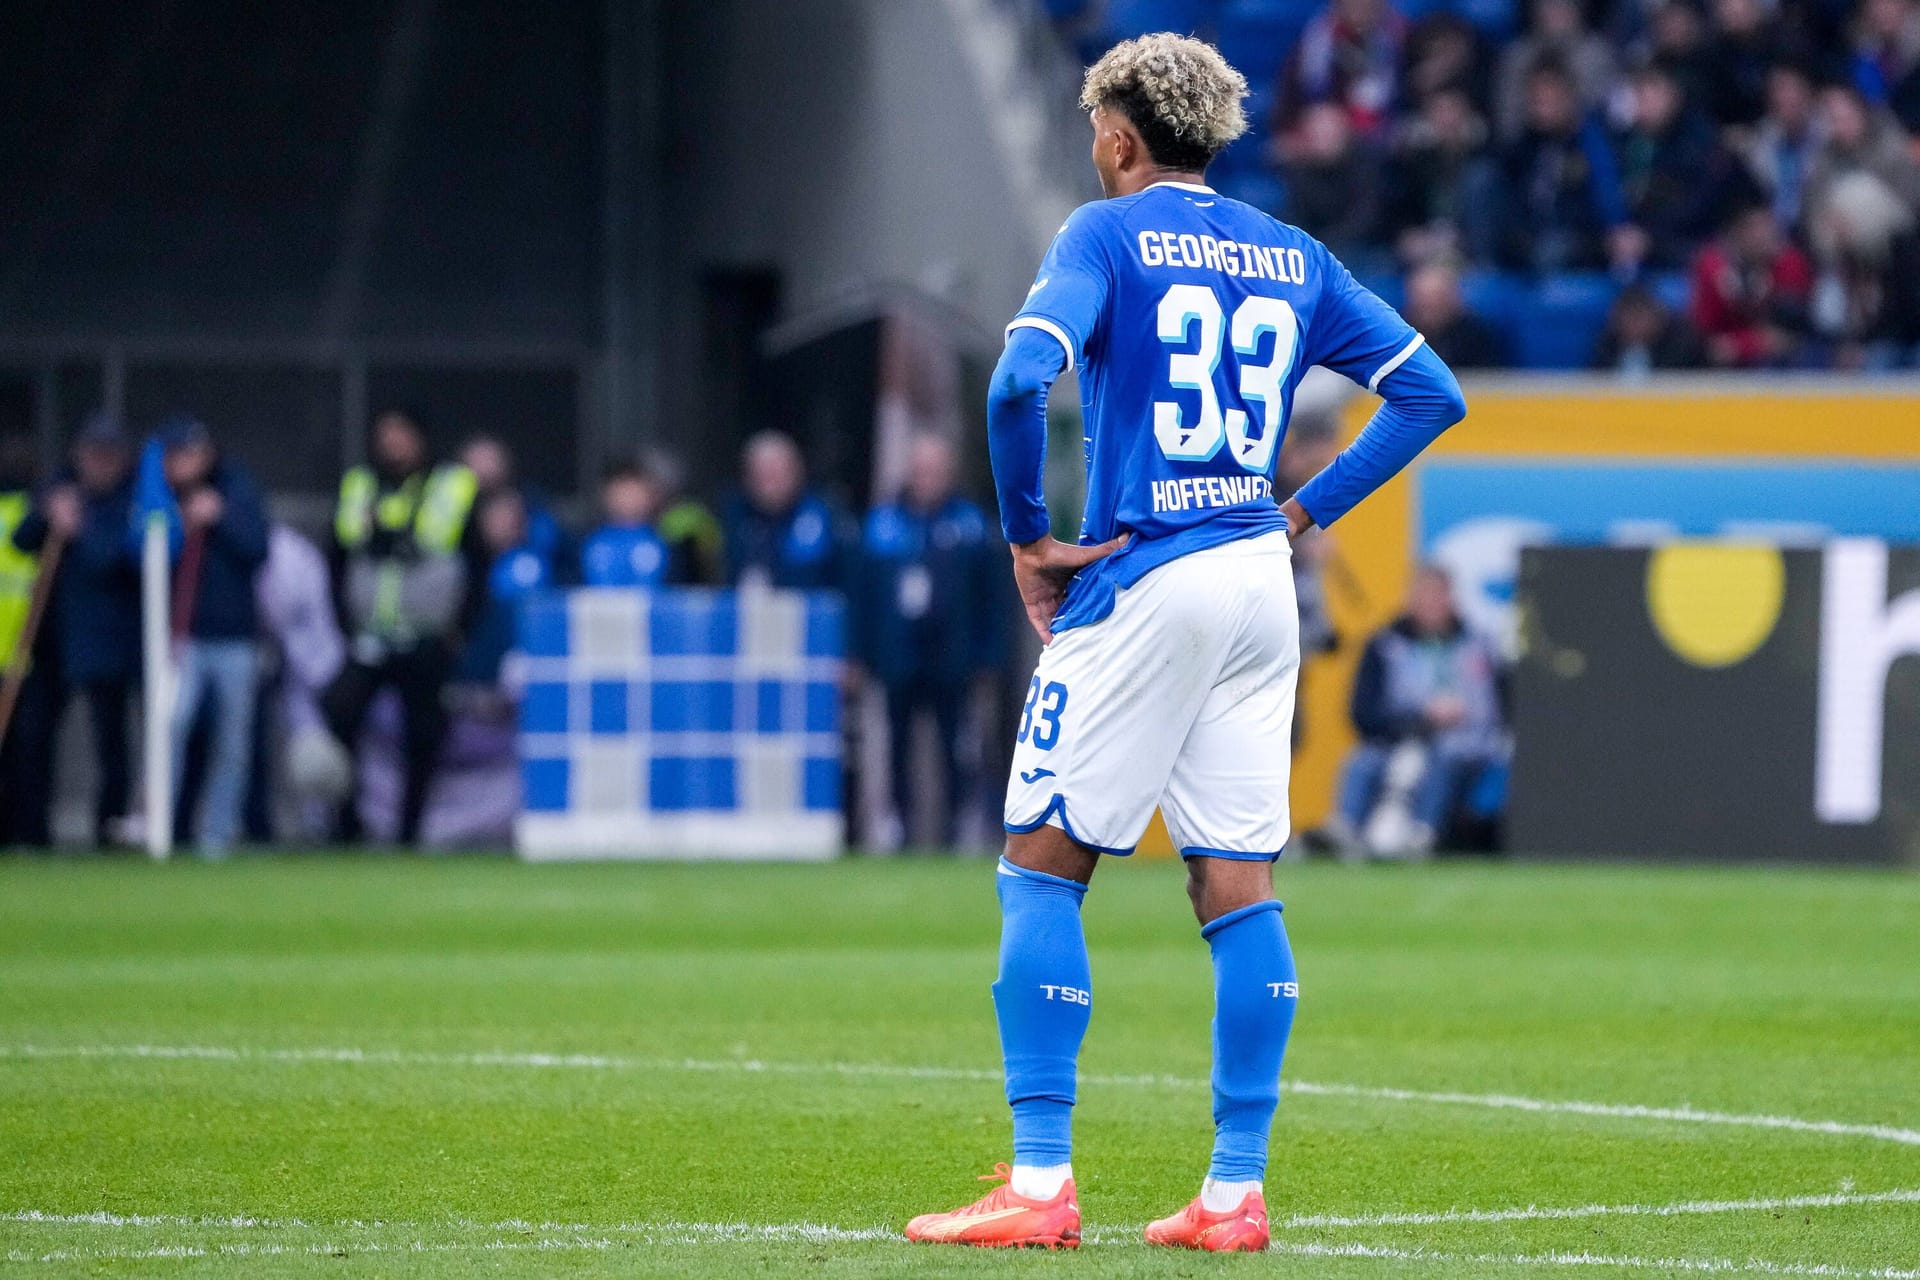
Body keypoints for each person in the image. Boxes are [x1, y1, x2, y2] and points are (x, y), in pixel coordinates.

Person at [905, 34, 1465, 1252]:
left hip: (1146, 568)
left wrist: (1027, 537)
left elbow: (1015, 382)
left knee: (1042, 866)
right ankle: (1233, 1192)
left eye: (1095, 129)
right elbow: (1433, 396)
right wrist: (1303, 509)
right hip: (1260, 576)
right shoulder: (1292, 252)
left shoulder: (1103, 236)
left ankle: (1042, 1180)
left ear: (1119, 137)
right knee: (1237, 884)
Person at [323, 408, 482, 844]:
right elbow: (337, 557)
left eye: (401, 433)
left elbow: (477, 564)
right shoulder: (360, 485)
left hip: (427, 637)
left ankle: (409, 833)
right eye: (385, 434)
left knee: (424, 735)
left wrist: (460, 630)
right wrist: (343, 622)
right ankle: (347, 823)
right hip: (370, 636)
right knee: (339, 710)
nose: (392, 443)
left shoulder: (452, 486)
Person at [853, 434, 1005, 849]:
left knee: (956, 747)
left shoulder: (971, 525)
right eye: (921, 470)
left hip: (953, 659)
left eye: (935, 470)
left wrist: (989, 657)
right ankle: (897, 827)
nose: (928, 478)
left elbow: (991, 598)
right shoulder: (882, 525)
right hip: (898, 656)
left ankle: (958, 827)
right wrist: (860, 655)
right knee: (896, 747)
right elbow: (863, 596)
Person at [136, 417, 270, 857]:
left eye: (192, 453)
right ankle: (161, 828)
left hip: (234, 638)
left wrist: (220, 516)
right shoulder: (155, 497)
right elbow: (136, 551)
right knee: (171, 726)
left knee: (233, 739)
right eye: (177, 454)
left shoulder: (237, 487)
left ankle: (218, 834)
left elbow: (257, 548)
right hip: (180, 637)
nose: (185, 463)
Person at [10, 417, 140, 847]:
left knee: (111, 748)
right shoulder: (59, 489)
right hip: (52, 642)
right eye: (91, 455)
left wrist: (78, 528)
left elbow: (113, 558)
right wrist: (49, 513)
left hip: (108, 643)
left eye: (108, 456)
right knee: (33, 738)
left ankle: (109, 832)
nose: (98, 465)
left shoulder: (129, 500)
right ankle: (32, 831)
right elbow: (22, 539)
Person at [1330, 564, 1506, 858]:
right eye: (1424, 596)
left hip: (1469, 744)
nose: (1432, 605)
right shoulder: (1384, 645)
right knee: (1363, 762)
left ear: (1452, 599)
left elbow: (1501, 704)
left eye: (1438, 596)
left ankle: (1422, 834)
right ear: (1410, 599)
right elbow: (1363, 714)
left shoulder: (1481, 644)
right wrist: (1420, 719)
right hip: (1399, 737)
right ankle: (1345, 830)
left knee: (1446, 758)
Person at [1496, 58, 1635, 272]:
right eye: (1537, 101)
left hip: (1582, 242)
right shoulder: (1525, 146)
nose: (1543, 109)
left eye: (1550, 100)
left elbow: (1607, 203)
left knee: (1549, 253)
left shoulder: (1593, 142)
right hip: (1532, 238)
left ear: (1570, 97)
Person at [0, 436, 54, 846]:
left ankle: (27, 834)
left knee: (27, 753)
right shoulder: (31, 508)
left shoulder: (33, 511)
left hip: (23, 652)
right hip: (20, 651)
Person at [722, 431, 846, 591]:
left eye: (775, 473)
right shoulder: (736, 517)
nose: (768, 485)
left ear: (796, 471)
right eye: (760, 475)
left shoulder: (824, 514)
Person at [1691, 203, 1813, 366]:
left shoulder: (1790, 263)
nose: (1765, 236)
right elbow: (1706, 331)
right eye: (1755, 229)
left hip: (1785, 358)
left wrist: (1743, 344)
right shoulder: (1712, 267)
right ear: (1737, 235)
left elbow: (1786, 335)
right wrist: (1725, 289)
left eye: (1769, 228)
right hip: (1721, 357)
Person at [579, 462, 669, 588]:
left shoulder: (663, 542)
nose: (628, 500)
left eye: (633, 492)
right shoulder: (595, 542)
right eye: (622, 492)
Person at [1403, 261, 1509, 367]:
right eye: (1422, 302)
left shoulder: (1476, 337)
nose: (1428, 308)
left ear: (1452, 299)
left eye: (1436, 300)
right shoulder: (1401, 333)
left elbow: (1488, 376)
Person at [1593, 281, 1707, 373]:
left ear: (1656, 318)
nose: (1635, 326)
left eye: (1639, 318)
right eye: (1630, 319)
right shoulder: (1606, 347)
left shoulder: (1682, 348)